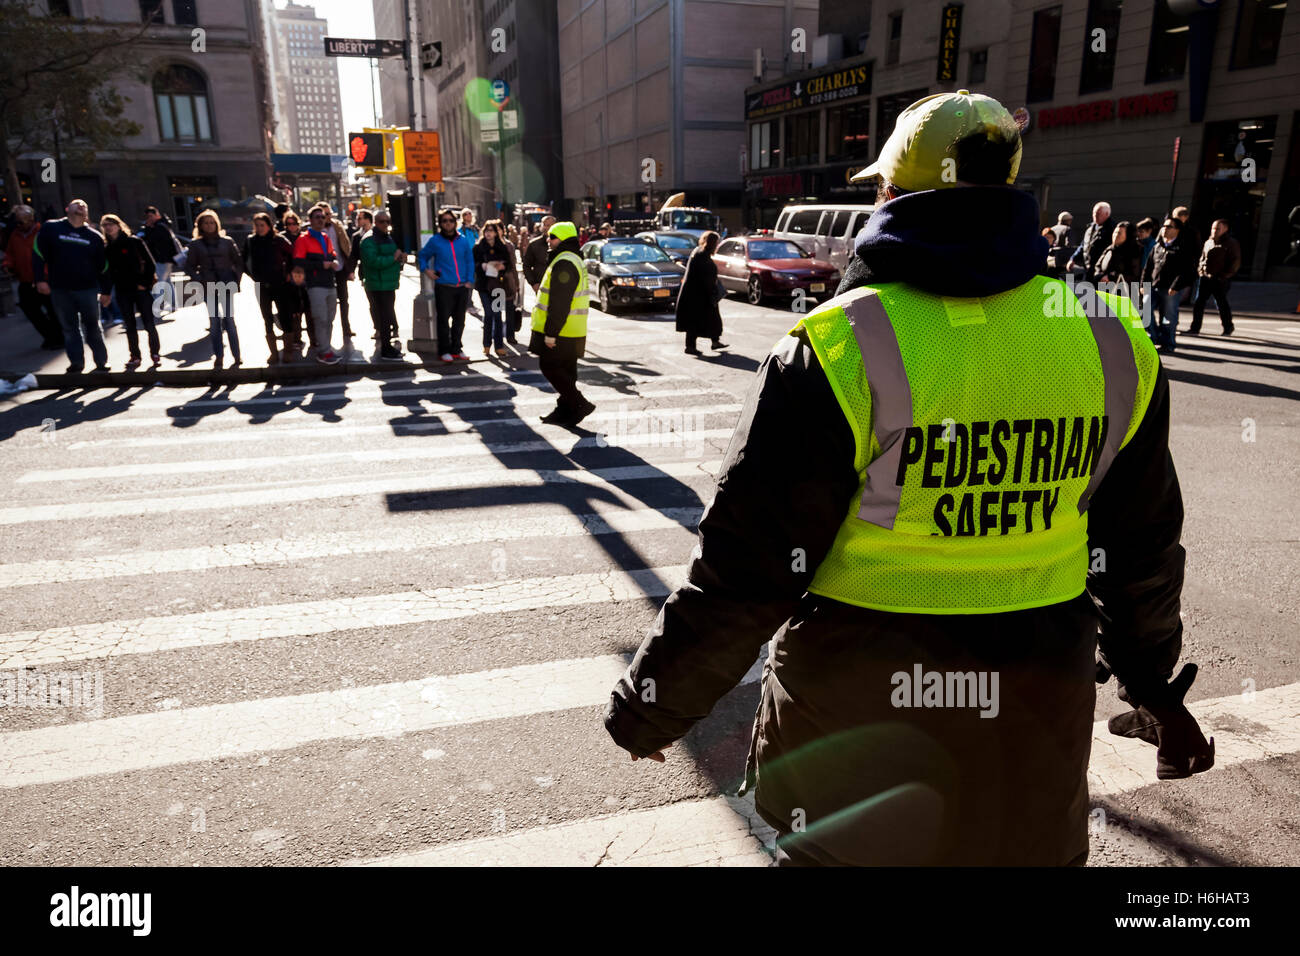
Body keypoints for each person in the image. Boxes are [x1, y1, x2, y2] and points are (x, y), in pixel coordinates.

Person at [605, 90, 1211, 866]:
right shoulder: (1110, 337)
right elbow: (1142, 551)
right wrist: (1152, 685)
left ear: (891, 193)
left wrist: (652, 707)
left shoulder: (837, 345)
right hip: (1034, 710)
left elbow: (746, 573)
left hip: (856, 718)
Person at [32, 198, 112, 373]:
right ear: (67, 208)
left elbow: (104, 266)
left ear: (87, 214)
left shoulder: (94, 237)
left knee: (93, 327)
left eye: (84, 205)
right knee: (69, 328)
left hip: (88, 289)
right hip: (60, 289)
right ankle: (76, 363)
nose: (81, 206)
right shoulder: (51, 228)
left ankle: (101, 362)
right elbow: (38, 253)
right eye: (77, 204)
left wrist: (106, 291)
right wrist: (39, 279)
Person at [530, 221, 594, 425]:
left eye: (552, 236)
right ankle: (567, 411)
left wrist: (551, 333)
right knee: (567, 371)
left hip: (562, 331)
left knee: (549, 366)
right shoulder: (573, 258)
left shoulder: (564, 262)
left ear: (564, 238)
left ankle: (578, 403)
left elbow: (560, 302)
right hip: (572, 330)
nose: (548, 240)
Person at [101, 213, 161, 370]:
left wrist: (145, 283)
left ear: (119, 225)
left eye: (111, 224)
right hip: (122, 291)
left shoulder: (133, 241)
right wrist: (106, 292)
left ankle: (155, 353)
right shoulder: (107, 248)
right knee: (130, 325)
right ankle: (135, 356)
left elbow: (150, 263)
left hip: (141, 289)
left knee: (149, 323)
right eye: (105, 225)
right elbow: (106, 273)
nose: (108, 227)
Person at [187, 209, 244, 370]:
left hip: (226, 283)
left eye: (212, 222)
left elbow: (238, 262)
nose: (209, 225)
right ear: (200, 225)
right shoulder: (196, 244)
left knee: (229, 321)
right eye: (206, 223)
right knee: (214, 322)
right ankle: (219, 355)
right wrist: (199, 280)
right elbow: (189, 266)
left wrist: (236, 279)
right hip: (208, 285)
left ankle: (237, 355)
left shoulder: (227, 241)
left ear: (217, 224)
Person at [417, 207, 475, 363]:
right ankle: (444, 351)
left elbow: (469, 260)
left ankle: (457, 349)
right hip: (444, 287)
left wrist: (470, 280)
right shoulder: (435, 241)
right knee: (443, 321)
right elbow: (422, 256)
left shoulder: (462, 240)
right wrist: (427, 270)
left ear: (455, 222)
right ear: (441, 224)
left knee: (459, 321)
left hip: (462, 287)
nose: (448, 223)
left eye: (451, 220)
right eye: (445, 221)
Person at [1, 205, 62, 350]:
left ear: (31, 220)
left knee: (54, 311)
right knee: (30, 310)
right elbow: (10, 254)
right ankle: (50, 336)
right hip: (26, 280)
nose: (18, 225)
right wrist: (7, 264)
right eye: (17, 222)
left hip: (45, 279)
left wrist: (46, 276)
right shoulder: (15, 235)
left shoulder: (43, 232)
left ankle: (59, 337)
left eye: (21, 222)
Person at [243, 212, 295, 364]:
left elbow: (293, 255)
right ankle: (273, 353)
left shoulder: (278, 240)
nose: (259, 228)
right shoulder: (251, 241)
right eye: (257, 225)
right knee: (267, 318)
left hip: (280, 284)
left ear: (269, 225)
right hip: (261, 285)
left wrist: (288, 273)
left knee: (285, 317)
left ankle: (288, 352)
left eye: (262, 225)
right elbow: (244, 260)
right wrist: (253, 276)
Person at [292, 206, 342, 364]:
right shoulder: (303, 239)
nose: (321, 219)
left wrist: (333, 262)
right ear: (310, 220)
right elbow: (299, 262)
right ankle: (324, 351)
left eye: (323, 217)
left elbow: (332, 254)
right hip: (315, 285)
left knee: (329, 318)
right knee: (321, 318)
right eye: (317, 217)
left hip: (329, 283)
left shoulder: (325, 237)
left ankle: (326, 348)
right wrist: (323, 265)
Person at [358, 209, 406, 361]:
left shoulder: (388, 238)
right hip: (377, 285)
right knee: (384, 318)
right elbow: (373, 262)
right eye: (381, 221)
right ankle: (386, 349)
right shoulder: (369, 240)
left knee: (387, 318)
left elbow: (393, 257)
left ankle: (387, 347)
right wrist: (394, 258)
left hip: (388, 284)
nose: (385, 224)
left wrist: (400, 258)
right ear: (375, 222)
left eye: (387, 221)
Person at [1142, 217, 1193, 355]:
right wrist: (1144, 285)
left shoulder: (1183, 247)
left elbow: (1186, 270)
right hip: (1153, 285)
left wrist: (1176, 286)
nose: (1165, 228)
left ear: (1177, 230)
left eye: (1169, 226)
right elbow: (1148, 267)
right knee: (1145, 312)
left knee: (1168, 317)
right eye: (1164, 226)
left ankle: (1168, 343)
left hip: (1171, 289)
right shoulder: (1158, 245)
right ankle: (1154, 337)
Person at [675, 230, 727, 355]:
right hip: (698, 295)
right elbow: (705, 278)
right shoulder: (702, 255)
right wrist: (713, 293)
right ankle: (690, 346)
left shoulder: (699, 252)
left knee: (711, 319)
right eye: (716, 243)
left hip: (696, 294)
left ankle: (715, 341)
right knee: (695, 321)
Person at [473, 219, 517, 358]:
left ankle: (499, 346)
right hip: (484, 286)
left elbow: (510, 265)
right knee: (489, 314)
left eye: (491, 231)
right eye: (486, 231)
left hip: (498, 285)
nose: (488, 234)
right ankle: (486, 345)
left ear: (496, 233)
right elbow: (472, 264)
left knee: (498, 316)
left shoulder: (502, 247)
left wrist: (502, 267)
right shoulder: (478, 247)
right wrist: (482, 266)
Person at [1189, 219, 1239, 337]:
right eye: (1213, 228)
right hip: (1205, 277)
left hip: (1220, 279)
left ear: (1225, 229)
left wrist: (1225, 275)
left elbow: (1235, 261)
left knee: (1221, 303)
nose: (1214, 231)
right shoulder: (1208, 242)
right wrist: (1200, 271)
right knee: (1199, 303)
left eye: (1217, 228)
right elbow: (1202, 258)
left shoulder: (1231, 243)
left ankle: (1228, 326)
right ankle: (1195, 327)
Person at [317, 204, 356, 343]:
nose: (328, 217)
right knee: (326, 302)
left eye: (329, 214)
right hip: (323, 271)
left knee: (344, 299)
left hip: (339, 268)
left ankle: (346, 327)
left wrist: (349, 269)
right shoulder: (316, 229)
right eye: (325, 214)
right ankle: (326, 331)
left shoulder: (337, 226)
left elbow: (346, 246)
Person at [279, 210, 311, 355]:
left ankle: (313, 338)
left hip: (305, 275)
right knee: (294, 311)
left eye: (294, 223)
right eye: (288, 224)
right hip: (289, 279)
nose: (292, 226)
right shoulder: (282, 238)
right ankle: (296, 339)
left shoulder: (304, 237)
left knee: (308, 308)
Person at [141, 205, 182, 315]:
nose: (149, 218)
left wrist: (148, 229)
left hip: (162, 259)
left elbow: (153, 241)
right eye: (147, 216)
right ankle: (173, 304)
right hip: (165, 259)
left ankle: (158, 305)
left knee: (160, 282)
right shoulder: (163, 225)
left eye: (151, 216)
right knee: (167, 281)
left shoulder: (159, 227)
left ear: (157, 215)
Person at [1066, 201, 1115, 282]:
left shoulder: (1112, 229)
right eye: (1094, 213)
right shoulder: (1090, 228)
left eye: (1098, 214)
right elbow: (1083, 245)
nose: (1095, 216)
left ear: (1107, 214)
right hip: (1088, 269)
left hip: (1101, 272)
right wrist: (1073, 259)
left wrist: (1109, 274)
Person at [1093, 219, 1143, 297]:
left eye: (1119, 233)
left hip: (1124, 293)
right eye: (1115, 232)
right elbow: (1098, 265)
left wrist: (1111, 278)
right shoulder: (1110, 248)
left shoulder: (1135, 251)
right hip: (1104, 290)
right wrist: (1100, 276)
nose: (1115, 235)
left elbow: (1134, 274)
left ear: (1128, 235)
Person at [522, 214, 555, 293]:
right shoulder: (534, 244)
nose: (547, 227)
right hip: (541, 286)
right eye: (544, 225)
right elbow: (526, 265)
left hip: (558, 286)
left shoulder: (561, 244)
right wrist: (533, 283)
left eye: (549, 225)